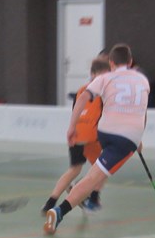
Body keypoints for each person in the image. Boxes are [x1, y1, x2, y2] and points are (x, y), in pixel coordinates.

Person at [44, 44, 149, 235]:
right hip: (127, 139)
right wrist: (138, 137)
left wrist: (72, 127)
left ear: (111, 63)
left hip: (104, 133)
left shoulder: (105, 78)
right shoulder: (142, 80)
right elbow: (142, 111)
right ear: (130, 61)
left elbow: (83, 97)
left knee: (94, 174)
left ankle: (75, 202)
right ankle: (63, 210)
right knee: (95, 178)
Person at [41, 58, 111, 215]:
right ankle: (93, 199)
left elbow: (76, 112)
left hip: (77, 135)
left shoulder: (81, 90)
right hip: (93, 136)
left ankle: (49, 203)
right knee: (103, 169)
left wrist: (71, 129)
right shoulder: (104, 93)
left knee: (74, 169)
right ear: (93, 74)